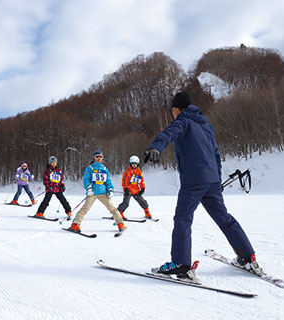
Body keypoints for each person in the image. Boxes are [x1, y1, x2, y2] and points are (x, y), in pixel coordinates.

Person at [144, 91, 261, 278]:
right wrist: (216, 179)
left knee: (183, 219)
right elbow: (216, 154)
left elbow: (169, 133)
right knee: (224, 218)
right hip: (212, 180)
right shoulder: (206, 125)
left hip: (194, 181)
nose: (173, 114)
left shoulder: (183, 120)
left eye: (172, 110)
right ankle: (247, 256)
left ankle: (181, 264)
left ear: (177, 109)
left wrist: (155, 147)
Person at [69, 150, 124, 233]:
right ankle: (75, 224)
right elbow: (86, 180)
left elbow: (108, 181)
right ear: (94, 158)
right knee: (86, 208)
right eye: (97, 157)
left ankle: (120, 223)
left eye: (100, 157)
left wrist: (110, 190)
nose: (99, 158)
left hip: (103, 192)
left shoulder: (105, 169)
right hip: (93, 193)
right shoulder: (89, 168)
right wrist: (89, 188)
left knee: (112, 208)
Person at [117, 156, 152, 220]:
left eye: (135, 163)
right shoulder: (127, 172)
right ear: (130, 163)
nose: (134, 165)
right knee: (125, 203)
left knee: (143, 202)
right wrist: (126, 188)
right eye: (132, 163)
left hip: (136, 190)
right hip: (129, 191)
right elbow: (124, 181)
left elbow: (141, 181)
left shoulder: (139, 172)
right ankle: (119, 213)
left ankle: (147, 212)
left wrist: (143, 188)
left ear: (137, 164)